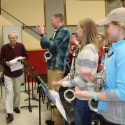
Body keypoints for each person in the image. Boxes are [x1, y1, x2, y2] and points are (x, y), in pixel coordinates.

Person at [74, 7, 125, 125]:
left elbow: (122, 93)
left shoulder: (122, 51)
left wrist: (92, 94)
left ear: (120, 26)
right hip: (107, 114)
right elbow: (109, 81)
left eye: (107, 26)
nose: (104, 30)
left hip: (117, 118)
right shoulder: (114, 49)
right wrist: (95, 78)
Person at [53, 18, 98, 125]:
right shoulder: (84, 48)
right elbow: (75, 73)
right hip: (80, 94)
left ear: (85, 30)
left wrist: (63, 83)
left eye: (78, 29)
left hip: (84, 98)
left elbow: (83, 79)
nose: (76, 32)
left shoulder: (88, 50)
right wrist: (62, 80)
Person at [36, 13, 70, 125]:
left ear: (57, 20)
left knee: (55, 96)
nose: (50, 22)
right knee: (52, 95)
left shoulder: (64, 31)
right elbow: (44, 45)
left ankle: (58, 122)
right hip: (52, 66)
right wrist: (43, 35)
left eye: (51, 20)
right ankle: (56, 120)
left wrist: (42, 34)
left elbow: (53, 47)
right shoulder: (57, 32)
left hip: (56, 67)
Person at [0, 32, 27, 122]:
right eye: (10, 38)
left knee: (17, 92)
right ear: (8, 38)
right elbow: (0, 59)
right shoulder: (4, 47)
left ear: (16, 38)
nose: (12, 39)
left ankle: (16, 106)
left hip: (18, 72)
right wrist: (6, 63)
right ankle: (9, 112)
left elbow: (26, 56)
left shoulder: (21, 46)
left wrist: (21, 58)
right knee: (9, 92)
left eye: (14, 38)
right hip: (8, 73)